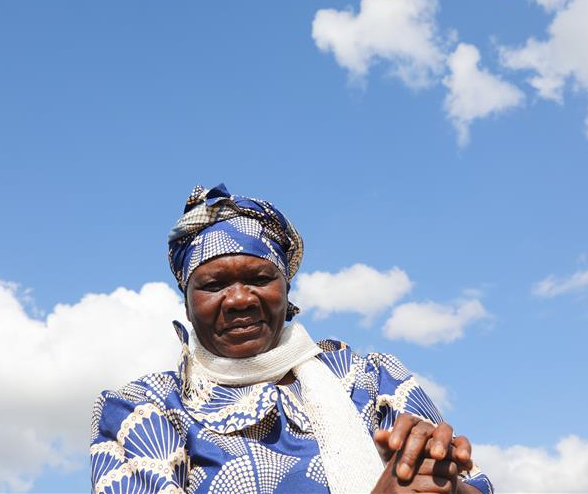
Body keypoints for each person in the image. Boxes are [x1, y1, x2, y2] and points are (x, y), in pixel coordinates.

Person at [90, 184, 494, 494]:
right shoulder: (145, 409)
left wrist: (439, 481)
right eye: (214, 285)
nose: (240, 299)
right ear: (187, 303)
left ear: (286, 292)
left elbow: (465, 484)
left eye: (260, 278)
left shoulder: (368, 380)